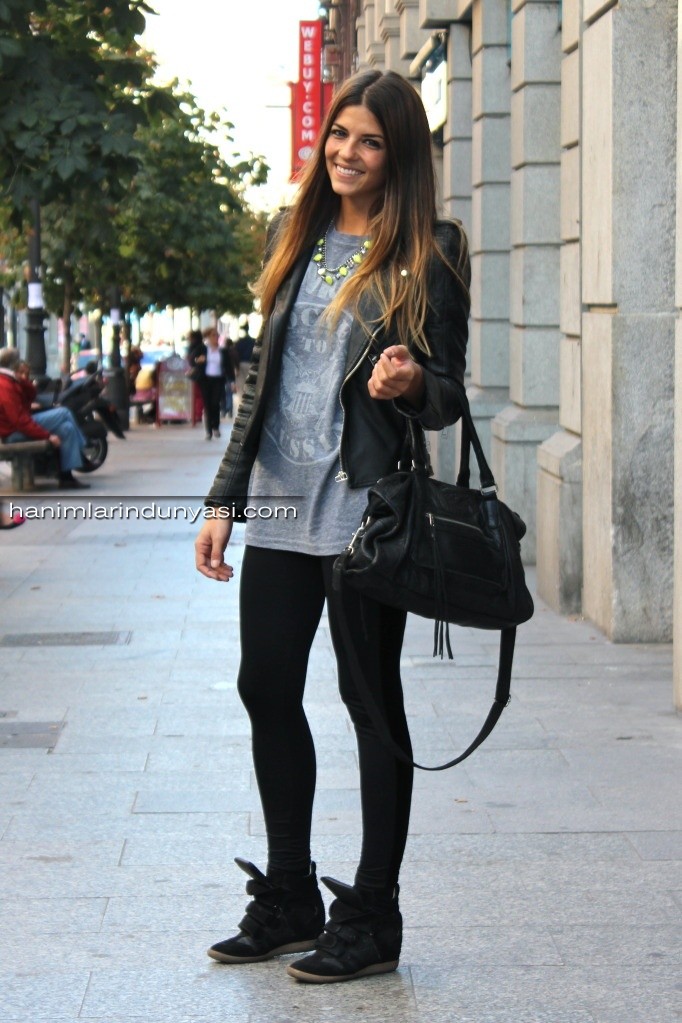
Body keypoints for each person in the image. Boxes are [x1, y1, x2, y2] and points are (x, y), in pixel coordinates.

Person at [194, 69, 470, 984]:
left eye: (370, 141)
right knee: (265, 686)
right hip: (280, 504)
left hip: (363, 512)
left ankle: (375, 913)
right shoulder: (297, 233)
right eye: (339, 134)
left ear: (400, 155)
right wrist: (223, 500)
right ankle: (289, 896)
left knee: (370, 703)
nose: (347, 152)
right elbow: (259, 385)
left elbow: (449, 394)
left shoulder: (431, 251)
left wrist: (412, 382)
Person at [0, 348, 89, 489]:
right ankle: (83, 447)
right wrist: (47, 436)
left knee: (67, 428)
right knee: (64, 413)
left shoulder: (11, 380)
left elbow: (31, 395)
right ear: (13, 364)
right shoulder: (4, 385)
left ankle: (66, 477)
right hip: (13, 433)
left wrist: (22, 380)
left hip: (17, 427)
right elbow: (19, 421)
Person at [187, 327, 233, 440]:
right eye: (213, 335)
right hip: (205, 380)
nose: (215, 337)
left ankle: (215, 426)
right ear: (207, 337)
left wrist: (232, 381)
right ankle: (209, 431)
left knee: (215, 403)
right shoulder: (202, 349)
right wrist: (198, 360)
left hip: (218, 380)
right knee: (207, 404)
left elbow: (228, 367)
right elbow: (191, 360)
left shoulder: (222, 351)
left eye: (217, 335)